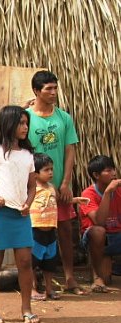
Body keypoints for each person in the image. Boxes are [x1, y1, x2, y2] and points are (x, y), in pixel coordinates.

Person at [26, 70, 85, 295]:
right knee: (33, 233)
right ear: (36, 91)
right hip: (33, 188)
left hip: (60, 184)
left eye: (55, 88)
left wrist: (65, 182)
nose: (53, 92)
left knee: (64, 231)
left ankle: (70, 277)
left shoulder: (64, 118)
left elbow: (70, 150)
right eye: (48, 88)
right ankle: (33, 282)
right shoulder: (26, 117)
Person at [0, 106, 38, 323]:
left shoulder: (27, 154)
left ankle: (26, 307)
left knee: (25, 261)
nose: (25, 127)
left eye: (26, 123)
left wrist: (28, 203)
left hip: (21, 214)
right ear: (8, 124)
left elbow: (32, 186)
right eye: (21, 123)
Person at [30, 153, 89, 301]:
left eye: (51, 169)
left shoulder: (51, 187)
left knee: (50, 262)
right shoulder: (31, 189)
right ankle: (32, 289)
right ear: (35, 173)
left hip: (51, 230)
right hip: (35, 230)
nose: (51, 172)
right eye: (46, 170)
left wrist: (75, 200)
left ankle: (49, 289)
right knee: (32, 262)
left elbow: (59, 201)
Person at [79, 155, 121, 292]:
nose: (114, 173)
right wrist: (108, 192)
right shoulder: (88, 194)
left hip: (118, 236)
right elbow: (99, 221)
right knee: (98, 231)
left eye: (113, 169)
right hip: (99, 239)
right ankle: (97, 276)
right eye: (108, 170)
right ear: (96, 175)